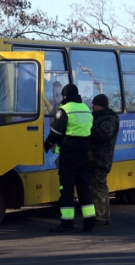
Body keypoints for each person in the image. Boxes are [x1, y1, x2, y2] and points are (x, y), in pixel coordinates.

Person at [44, 83, 96, 232]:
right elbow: (89, 131)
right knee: (84, 188)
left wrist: (46, 144)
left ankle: (67, 223)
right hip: (84, 155)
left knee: (66, 190)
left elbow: (56, 133)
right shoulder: (86, 109)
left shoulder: (64, 110)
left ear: (65, 96)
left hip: (68, 156)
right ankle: (90, 222)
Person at [89, 94, 119, 228]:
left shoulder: (109, 120)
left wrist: (88, 128)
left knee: (98, 189)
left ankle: (100, 216)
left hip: (101, 159)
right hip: (97, 158)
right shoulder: (100, 117)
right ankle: (105, 216)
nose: (92, 107)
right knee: (101, 187)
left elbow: (101, 135)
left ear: (100, 105)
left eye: (94, 104)